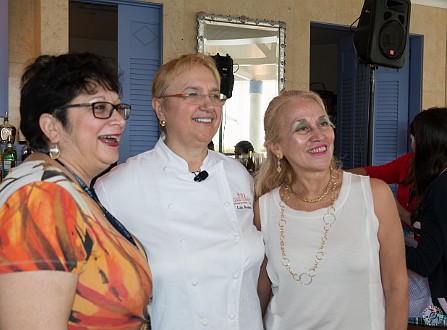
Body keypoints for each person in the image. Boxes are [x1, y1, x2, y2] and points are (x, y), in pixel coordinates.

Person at [0, 53, 152, 329]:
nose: (119, 120)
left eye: (118, 108)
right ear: (52, 126)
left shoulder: (63, 187)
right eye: (100, 108)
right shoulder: (40, 199)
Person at [94, 54, 265, 329]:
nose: (208, 105)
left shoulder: (238, 175)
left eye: (214, 95)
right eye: (192, 94)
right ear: (160, 108)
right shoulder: (117, 188)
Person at [254, 90, 408, 329]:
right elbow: (259, 297)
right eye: (302, 128)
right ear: (276, 147)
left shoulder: (374, 195)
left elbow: (396, 287)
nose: (319, 135)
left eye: (323, 123)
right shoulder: (264, 210)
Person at [405, 107, 447, 321]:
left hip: (440, 302)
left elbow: (424, 263)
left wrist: (380, 242)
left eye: (414, 138)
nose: (412, 144)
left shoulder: (441, 189)